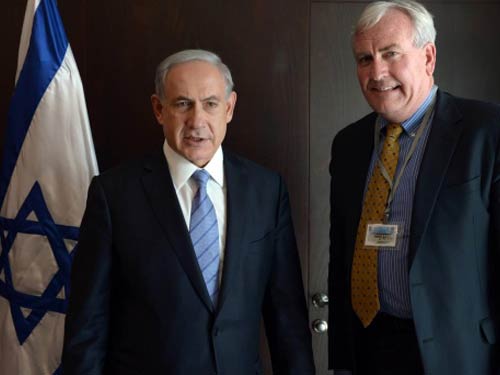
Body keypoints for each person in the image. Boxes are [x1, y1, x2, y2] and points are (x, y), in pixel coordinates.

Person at [62, 49, 315, 375]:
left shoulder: (266, 190)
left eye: (210, 103)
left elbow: (287, 318)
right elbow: (88, 324)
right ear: (158, 109)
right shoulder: (114, 195)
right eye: (182, 104)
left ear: (229, 108)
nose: (197, 121)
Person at [328, 1, 500, 374]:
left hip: (460, 353)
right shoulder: (348, 145)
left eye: (391, 54)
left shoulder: (486, 131)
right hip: (371, 348)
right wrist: (343, 358)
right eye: (364, 59)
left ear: (428, 56)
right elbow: (341, 254)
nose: (377, 72)